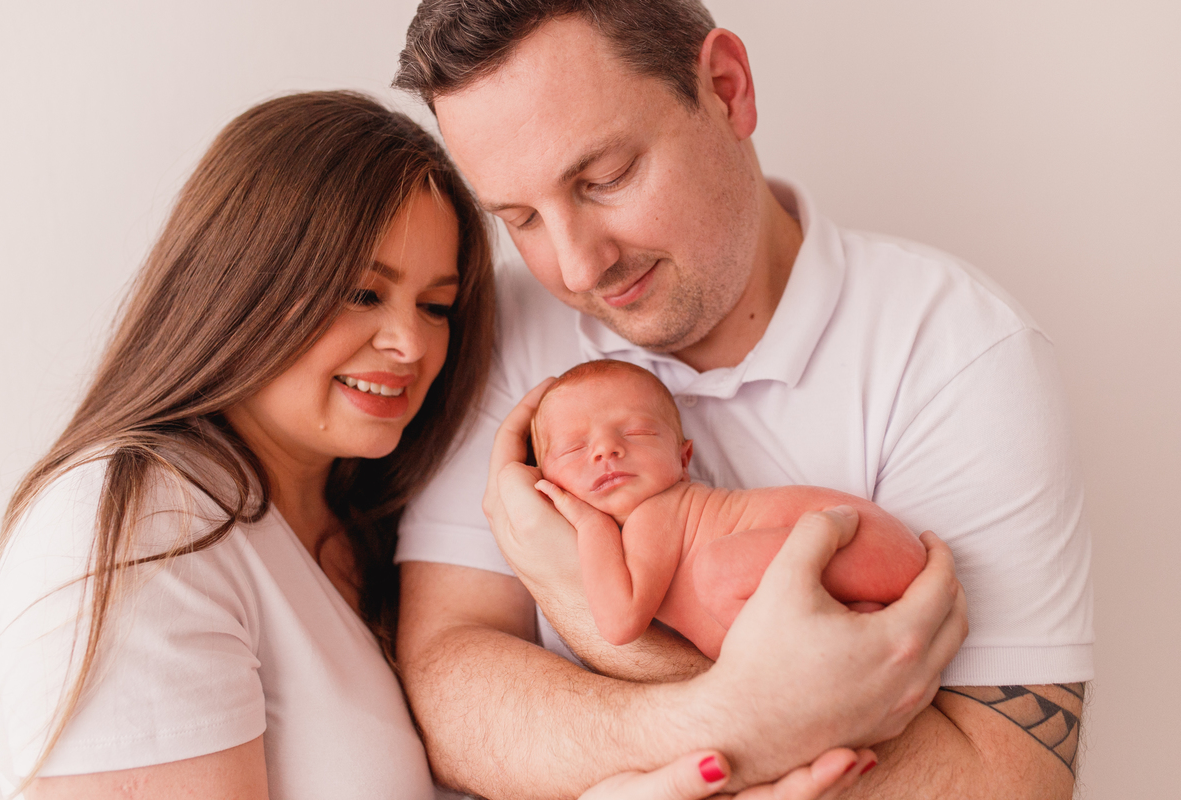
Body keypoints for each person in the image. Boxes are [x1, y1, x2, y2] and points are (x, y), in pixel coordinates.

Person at [0, 91, 879, 800]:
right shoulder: (137, 530)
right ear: (242, 282)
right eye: (363, 295)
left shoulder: (355, 527)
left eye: (437, 305)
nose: (412, 345)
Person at [391, 1, 1092, 798]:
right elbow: (446, 691)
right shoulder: (503, 325)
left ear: (727, 89)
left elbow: (1003, 782)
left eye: (605, 178)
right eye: (519, 219)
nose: (578, 269)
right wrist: (722, 718)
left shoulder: (955, 351)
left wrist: (575, 604)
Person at [529, 359, 926, 660]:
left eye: (636, 432)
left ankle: (818, 658)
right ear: (543, 477)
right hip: (870, 560)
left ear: (684, 460)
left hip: (866, 540)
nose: (605, 450)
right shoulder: (640, 541)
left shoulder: (656, 514)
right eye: (574, 449)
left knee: (718, 569)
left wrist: (588, 522)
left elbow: (618, 623)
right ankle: (851, 623)